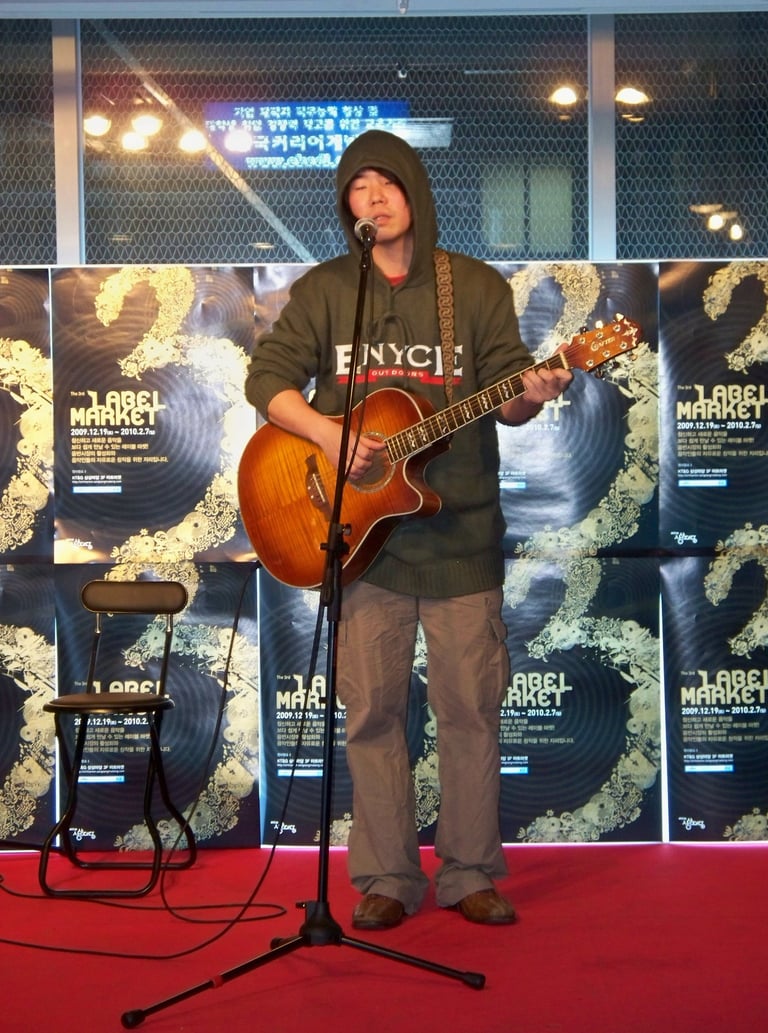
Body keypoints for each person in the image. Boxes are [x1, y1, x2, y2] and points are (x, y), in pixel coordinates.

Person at [245, 129, 572, 930]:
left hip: (460, 536)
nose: (374, 199)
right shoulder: (329, 289)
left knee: (470, 713)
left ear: (415, 192)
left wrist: (532, 392)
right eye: (358, 188)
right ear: (346, 205)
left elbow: (508, 397)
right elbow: (268, 380)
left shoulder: (475, 286)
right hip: (364, 545)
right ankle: (388, 875)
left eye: (386, 184)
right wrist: (328, 436)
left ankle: (469, 872)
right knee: (371, 714)